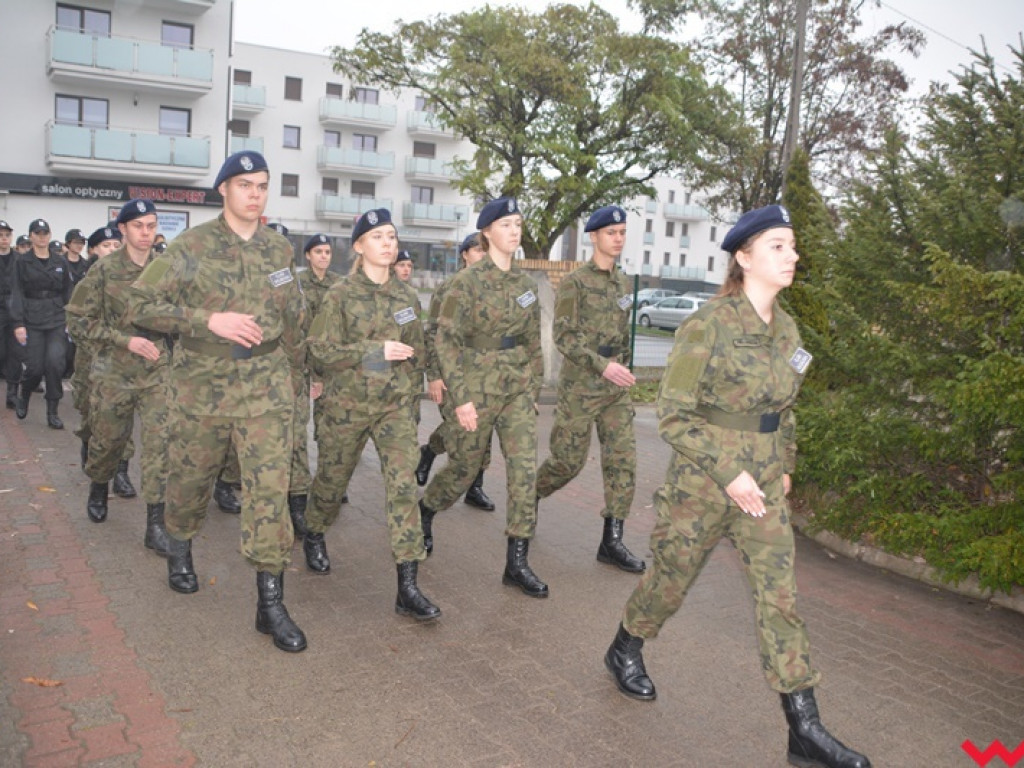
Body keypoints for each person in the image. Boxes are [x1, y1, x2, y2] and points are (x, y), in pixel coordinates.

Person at [603, 205, 871, 768]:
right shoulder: (710, 323)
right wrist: (730, 473)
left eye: (793, 245)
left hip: (765, 487)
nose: (792, 255)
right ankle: (626, 643)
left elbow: (787, 411)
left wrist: (786, 461)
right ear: (744, 257)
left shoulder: (789, 330)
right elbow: (672, 414)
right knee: (669, 583)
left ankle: (805, 729)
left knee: (781, 600)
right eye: (779, 246)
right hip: (704, 486)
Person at [125, 150, 308, 653]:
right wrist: (206, 320)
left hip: (267, 384)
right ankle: (179, 543)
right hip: (202, 384)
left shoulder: (279, 251)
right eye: (245, 184)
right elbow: (140, 305)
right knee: (191, 478)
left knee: (270, 490)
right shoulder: (191, 246)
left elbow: (292, 316)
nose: (255, 194)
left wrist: (303, 373)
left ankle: (270, 602)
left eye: (263, 185)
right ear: (223, 189)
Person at [302, 209, 440, 621]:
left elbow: (418, 349)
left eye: (392, 237)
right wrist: (372, 351)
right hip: (346, 407)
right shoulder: (340, 295)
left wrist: (426, 382)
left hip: (395, 407)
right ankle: (313, 529)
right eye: (378, 236)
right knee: (331, 480)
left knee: (402, 487)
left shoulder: (406, 297)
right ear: (359, 246)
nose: (387, 243)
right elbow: (319, 349)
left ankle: (408, 586)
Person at [419, 197, 547, 597]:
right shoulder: (466, 283)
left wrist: (533, 386)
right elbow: (447, 342)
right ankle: (426, 510)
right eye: (506, 224)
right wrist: (461, 398)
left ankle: (517, 561)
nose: (514, 231)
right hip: (476, 389)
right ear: (487, 232)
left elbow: (531, 341)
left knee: (524, 472)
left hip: (516, 393)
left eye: (518, 224)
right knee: (463, 468)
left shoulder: (526, 286)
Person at [535, 205, 645, 573]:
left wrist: (622, 366)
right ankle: (530, 496)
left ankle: (611, 541)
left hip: (615, 389)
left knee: (623, 463)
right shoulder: (575, 282)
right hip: (582, 385)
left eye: (622, 232)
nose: (618, 239)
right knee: (568, 462)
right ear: (594, 237)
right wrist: (603, 366)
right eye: (611, 232)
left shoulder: (623, 283)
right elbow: (563, 336)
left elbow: (622, 331)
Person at [65, 200, 172, 556]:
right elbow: (78, 321)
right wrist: (125, 340)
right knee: (108, 441)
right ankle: (99, 485)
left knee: (159, 449)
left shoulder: (166, 269)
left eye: (151, 225)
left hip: (158, 373)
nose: (145, 233)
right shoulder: (103, 270)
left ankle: (155, 525)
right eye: (138, 225)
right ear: (122, 228)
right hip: (114, 372)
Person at [416, 231, 495, 511]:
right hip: (454, 373)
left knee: (483, 431)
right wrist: (434, 375)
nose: (483, 257)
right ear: (464, 255)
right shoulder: (449, 288)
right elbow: (433, 332)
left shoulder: (493, 288)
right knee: (457, 426)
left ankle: (475, 487)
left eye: (487, 252)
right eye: (478, 251)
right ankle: (430, 452)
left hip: (486, 375)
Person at [71, 226, 138, 496]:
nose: (112, 250)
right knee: (91, 416)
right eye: (105, 245)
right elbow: (77, 325)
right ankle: (91, 450)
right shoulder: (86, 282)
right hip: (92, 359)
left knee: (120, 420)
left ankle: (120, 473)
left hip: (123, 362)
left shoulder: (131, 279)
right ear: (93, 251)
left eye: (115, 244)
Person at [284, 232, 339, 537]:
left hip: (333, 366)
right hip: (303, 365)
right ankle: (296, 500)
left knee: (330, 430)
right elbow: (302, 331)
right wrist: (312, 373)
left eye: (327, 252)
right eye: (317, 251)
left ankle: (331, 483)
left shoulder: (338, 284)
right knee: (297, 435)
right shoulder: (297, 283)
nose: (323, 256)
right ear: (308, 255)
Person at [10, 218, 73, 428]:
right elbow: (16, 292)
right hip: (32, 318)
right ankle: (25, 394)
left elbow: (68, 291)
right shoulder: (22, 261)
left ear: (50, 235)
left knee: (55, 364)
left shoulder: (60, 261)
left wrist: (70, 318)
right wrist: (18, 323)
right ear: (31, 236)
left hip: (56, 317)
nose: (42, 237)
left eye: (45, 233)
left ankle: (52, 411)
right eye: (37, 233)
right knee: (35, 367)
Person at [0, 219, 20, 409]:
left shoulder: (19, 259)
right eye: (0, 235)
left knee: (15, 352)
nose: (4, 239)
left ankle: (12, 393)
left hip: (14, 309)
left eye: (7, 235)